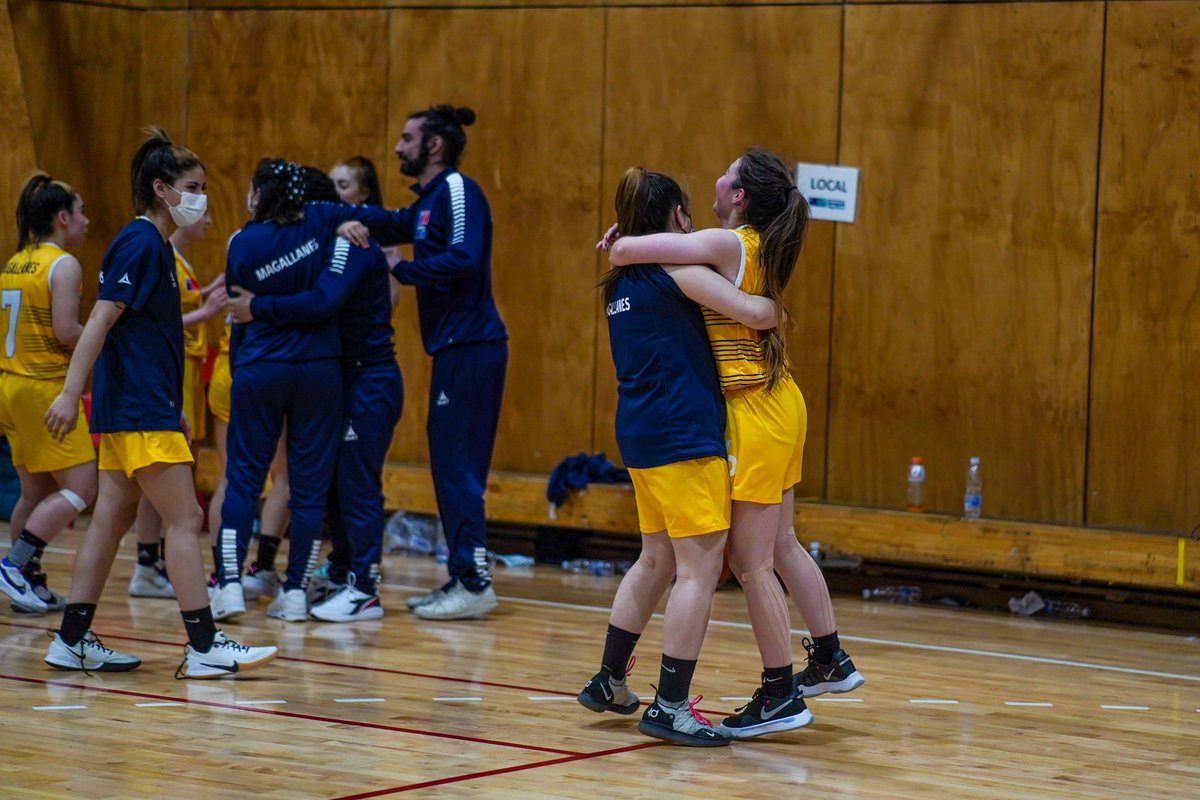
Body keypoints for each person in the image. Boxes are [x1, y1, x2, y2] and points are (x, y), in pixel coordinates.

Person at [606, 147, 862, 737]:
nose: (715, 179)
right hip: (777, 400)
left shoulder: (730, 243)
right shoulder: (750, 244)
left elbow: (635, 252)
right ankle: (828, 658)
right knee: (782, 544)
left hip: (754, 405)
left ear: (740, 195)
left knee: (750, 561)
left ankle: (781, 694)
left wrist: (625, 240)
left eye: (726, 173)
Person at [42, 126, 277, 677]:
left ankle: (71, 637)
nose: (201, 198)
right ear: (161, 188)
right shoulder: (141, 241)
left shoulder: (156, 248)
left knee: (110, 520)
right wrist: (72, 389)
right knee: (184, 517)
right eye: (192, 185)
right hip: (138, 408)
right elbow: (100, 318)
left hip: (136, 407)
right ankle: (203, 645)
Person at [578, 167, 782, 746]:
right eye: (686, 215)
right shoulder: (679, 274)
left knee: (655, 559)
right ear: (674, 218)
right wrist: (780, 308)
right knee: (699, 567)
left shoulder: (618, 281)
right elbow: (755, 312)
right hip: (682, 434)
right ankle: (670, 705)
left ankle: (609, 680)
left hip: (640, 436)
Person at [213, 158, 395, 623]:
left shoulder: (243, 240)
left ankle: (230, 585)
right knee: (309, 489)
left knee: (243, 481)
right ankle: (294, 592)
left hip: (259, 368)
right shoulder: (329, 232)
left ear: (261, 193)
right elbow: (324, 301)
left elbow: (238, 312)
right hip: (320, 372)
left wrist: (241, 368)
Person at [387, 104, 508, 621]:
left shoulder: (459, 190)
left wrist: (402, 268)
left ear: (434, 145)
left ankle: (475, 581)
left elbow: (463, 257)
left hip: (471, 347)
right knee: (448, 464)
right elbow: (393, 221)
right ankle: (463, 574)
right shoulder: (430, 200)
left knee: (457, 468)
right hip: (455, 349)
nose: (398, 147)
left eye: (407, 137)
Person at [0, 173, 97, 614]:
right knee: (82, 487)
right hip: (42, 386)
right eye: (81, 212)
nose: (87, 221)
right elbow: (65, 330)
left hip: (10, 385)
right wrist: (102, 337)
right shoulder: (63, 264)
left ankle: (29, 582)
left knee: (33, 492)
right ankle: (15, 567)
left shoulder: (17, 260)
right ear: (62, 217)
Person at [127, 211, 226, 600]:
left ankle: (150, 564)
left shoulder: (180, 260)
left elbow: (175, 307)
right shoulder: (162, 254)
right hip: (173, 370)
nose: (208, 219)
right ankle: (149, 564)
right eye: (202, 209)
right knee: (165, 473)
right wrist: (206, 312)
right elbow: (158, 321)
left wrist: (205, 294)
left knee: (170, 473)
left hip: (187, 369)